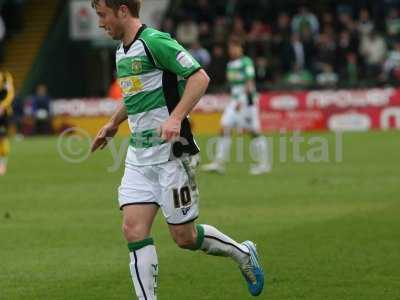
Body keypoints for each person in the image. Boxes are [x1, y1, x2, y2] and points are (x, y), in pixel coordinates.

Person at [90, 1, 264, 299]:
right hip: (138, 156)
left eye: (102, 15)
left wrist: (175, 116)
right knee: (133, 229)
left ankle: (243, 253)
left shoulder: (156, 42)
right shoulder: (122, 51)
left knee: (184, 237)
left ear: (122, 10)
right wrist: (113, 122)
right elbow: (135, 96)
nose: (100, 23)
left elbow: (200, 78)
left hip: (173, 153)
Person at [201, 39, 270, 175]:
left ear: (241, 48)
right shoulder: (230, 64)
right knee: (224, 127)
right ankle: (219, 163)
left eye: (235, 48)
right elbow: (234, 86)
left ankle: (264, 164)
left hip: (246, 102)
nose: (232, 51)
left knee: (253, 132)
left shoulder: (246, 62)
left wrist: (245, 100)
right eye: (231, 48)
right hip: (234, 102)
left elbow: (250, 82)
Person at [0, 70, 15, 175]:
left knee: (2, 137)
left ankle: (2, 164)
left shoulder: (6, 77)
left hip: (4, 114)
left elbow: (10, 94)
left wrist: (2, 106)